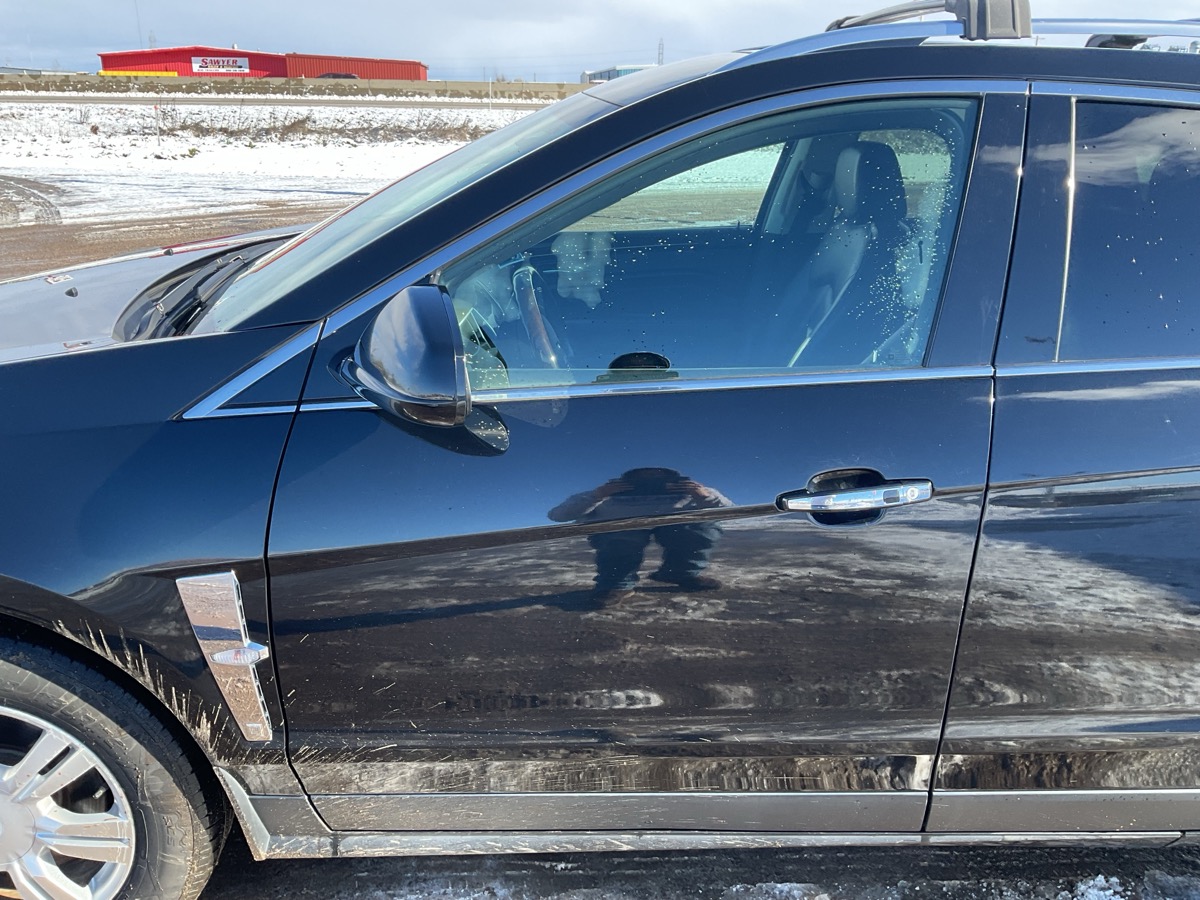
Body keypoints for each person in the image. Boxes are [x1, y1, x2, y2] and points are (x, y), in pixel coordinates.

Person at [548, 468, 732, 602]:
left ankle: (680, 574)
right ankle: (616, 585)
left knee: (698, 529)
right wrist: (598, 495)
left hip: (677, 527)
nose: (651, 481)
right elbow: (558, 515)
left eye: (659, 477)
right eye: (641, 479)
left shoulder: (693, 490)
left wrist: (703, 496)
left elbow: (731, 511)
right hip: (618, 530)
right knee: (621, 537)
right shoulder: (603, 494)